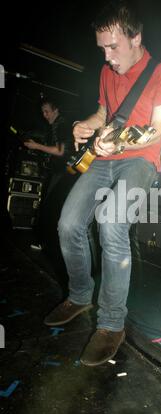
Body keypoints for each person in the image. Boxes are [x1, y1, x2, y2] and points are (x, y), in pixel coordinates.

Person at [44, 0, 161, 366]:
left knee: (111, 223)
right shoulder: (107, 73)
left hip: (140, 161)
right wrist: (89, 124)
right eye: (102, 48)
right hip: (102, 161)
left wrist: (116, 139)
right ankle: (80, 294)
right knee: (68, 224)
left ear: (136, 38)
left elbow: (157, 128)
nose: (106, 56)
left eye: (113, 47)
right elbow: (106, 112)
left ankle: (111, 324)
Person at [24, 99, 76, 287]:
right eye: (43, 112)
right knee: (49, 207)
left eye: (47, 111)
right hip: (58, 171)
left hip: (65, 172)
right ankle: (46, 242)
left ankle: (49, 244)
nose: (44, 115)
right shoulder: (53, 126)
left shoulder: (62, 124)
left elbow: (62, 151)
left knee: (51, 208)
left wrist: (37, 147)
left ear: (56, 110)